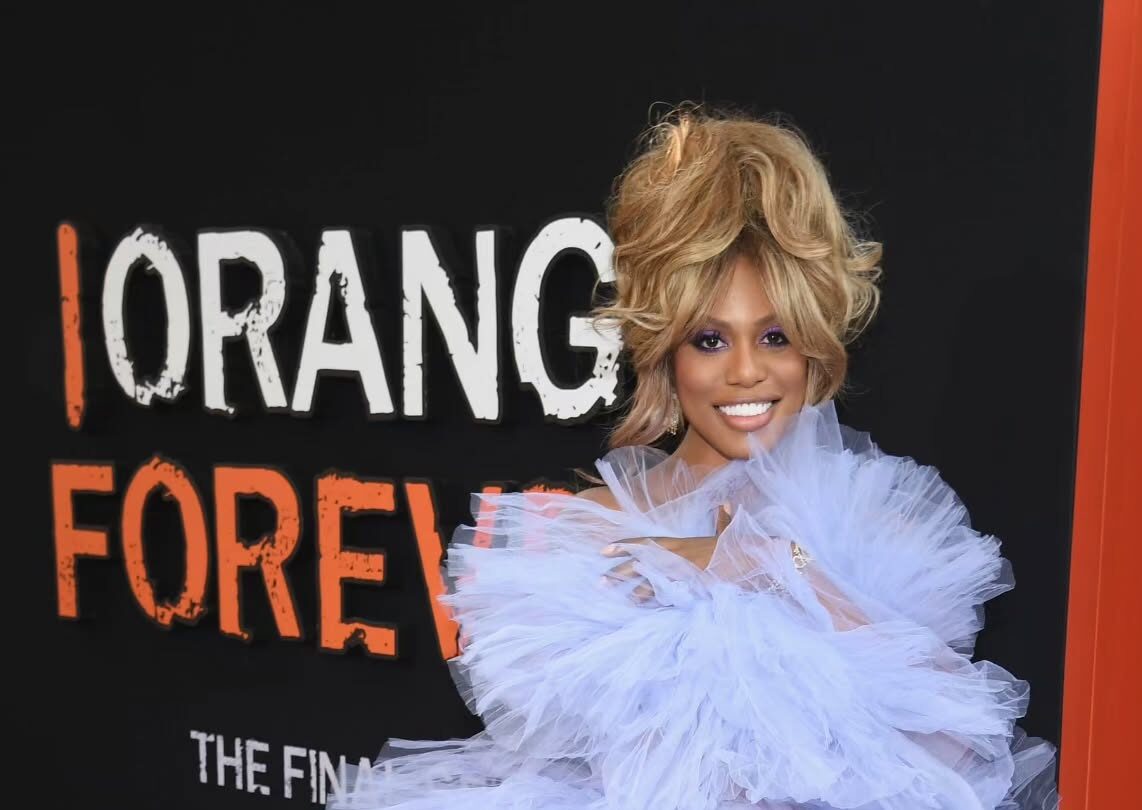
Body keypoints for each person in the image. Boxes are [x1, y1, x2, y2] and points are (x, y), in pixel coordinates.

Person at [332, 105, 1058, 810]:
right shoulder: (586, 541)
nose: (746, 371)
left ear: (813, 344)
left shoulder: (872, 525)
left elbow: (959, 744)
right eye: (710, 340)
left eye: (775, 336)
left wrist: (770, 564)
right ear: (665, 350)